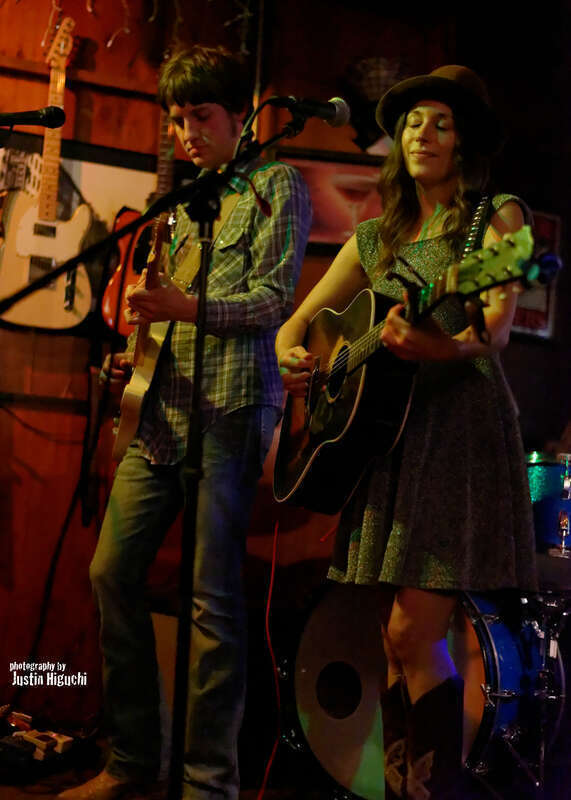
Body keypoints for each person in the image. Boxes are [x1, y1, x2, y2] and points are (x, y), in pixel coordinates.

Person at [275, 65, 537, 799]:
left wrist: (436, 347)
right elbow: (299, 322)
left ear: (465, 141)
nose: (423, 134)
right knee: (392, 643)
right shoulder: (375, 238)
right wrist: (293, 355)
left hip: (456, 433)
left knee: (408, 635)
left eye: (441, 123)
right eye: (414, 122)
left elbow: (494, 333)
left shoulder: (496, 220)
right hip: (385, 443)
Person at [59, 45, 311, 800]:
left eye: (200, 116)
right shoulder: (184, 201)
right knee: (110, 571)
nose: (186, 132)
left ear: (241, 115)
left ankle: (208, 784)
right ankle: (133, 759)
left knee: (212, 601)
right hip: (161, 411)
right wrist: (136, 351)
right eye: (176, 119)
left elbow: (274, 302)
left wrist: (185, 307)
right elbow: (167, 309)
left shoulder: (275, 186)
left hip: (231, 410)